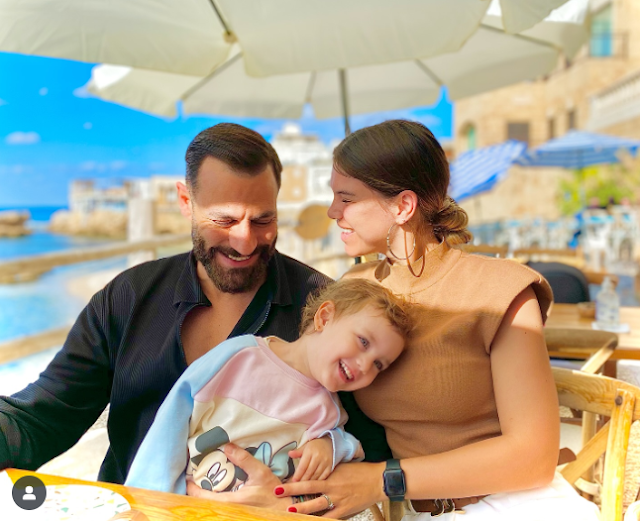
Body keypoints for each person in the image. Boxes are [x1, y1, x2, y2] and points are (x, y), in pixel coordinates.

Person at [204, 120, 599, 519]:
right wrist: (304, 454)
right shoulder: (354, 290)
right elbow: (307, 396)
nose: (332, 211)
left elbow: (533, 457)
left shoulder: (502, 292)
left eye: (346, 198)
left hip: (508, 505)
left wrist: (381, 480)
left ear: (403, 207)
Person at [0, 123, 334, 485]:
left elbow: (368, 447)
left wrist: (294, 502)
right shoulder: (127, 296)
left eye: (262, 220)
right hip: (132, 507)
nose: (245, 242)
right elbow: (45, 415)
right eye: (224, 220)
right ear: (186, 202)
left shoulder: (323, 306)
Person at [125, 278, 413, 497]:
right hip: (187, 506)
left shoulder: (328, 412)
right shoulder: (239, 357)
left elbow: (348, 448)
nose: (364, 365)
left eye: (379, 364)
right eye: (363, 342)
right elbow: (173, 418)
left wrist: (329, 446)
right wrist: (149, 498)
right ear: (324, 318)